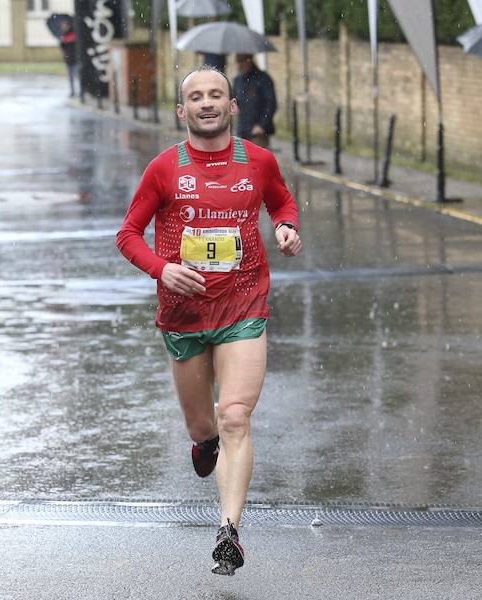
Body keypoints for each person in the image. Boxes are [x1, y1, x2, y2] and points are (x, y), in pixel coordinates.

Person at [116, 66, 302, 575]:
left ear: (232, 105)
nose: (206, 103)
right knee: (204, 427)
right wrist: (163, 269)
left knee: (235, 415)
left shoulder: (258, 161)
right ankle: (204, 444)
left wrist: (285, 227)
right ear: (183, 111)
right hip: (184, 313)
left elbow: (281, 201)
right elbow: (129, 235)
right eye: (195, 97)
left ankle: (229, 531)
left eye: (215, 94)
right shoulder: (163, 168)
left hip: (243, 305)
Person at [232, 54, 277, 149]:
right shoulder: (237, 81)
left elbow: (271, 103)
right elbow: (234, 101)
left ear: (249, 61)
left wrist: (262, 125)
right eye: (238, 62)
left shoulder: (263, 79)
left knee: (259, 161)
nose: (239, 66)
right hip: (242, 131)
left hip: (258, 132)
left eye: (242, 62)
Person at [59, 19, 80, 97]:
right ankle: (72, 91)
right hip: (68, 59)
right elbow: (62, 47)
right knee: (71, 77)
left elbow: (75, 46)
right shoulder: (63, 36)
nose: (63, 27)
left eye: (64, 25)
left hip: (75, 58)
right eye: (62, 26)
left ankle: (79, 92)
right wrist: (62, 42)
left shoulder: (73, 34)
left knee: (77, 76)